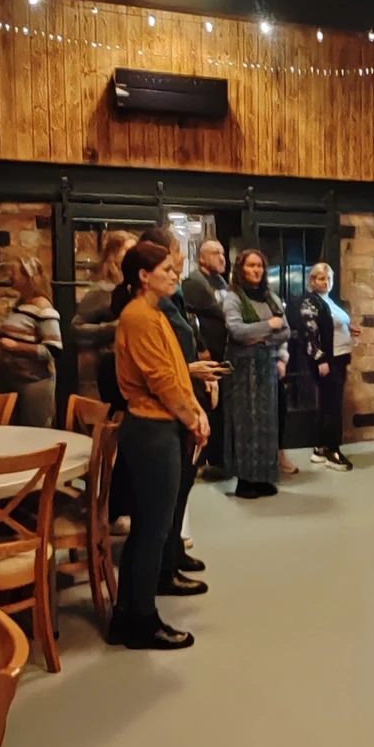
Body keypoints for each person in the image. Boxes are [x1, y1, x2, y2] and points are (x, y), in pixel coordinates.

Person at [111, 240, 210, 649]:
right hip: (152, 430)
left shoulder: (151, 313)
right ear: (143, 276)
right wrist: (193, 418)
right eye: (167, 269)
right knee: (153, 530)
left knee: (148, 529)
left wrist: (194, 410)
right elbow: (162, 380)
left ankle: (127, 616)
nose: (175, 274)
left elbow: (175, 372)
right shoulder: (139, 316)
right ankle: (142, 621)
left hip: (158, 427)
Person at [138, 228, 224, 572]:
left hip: (186, 388)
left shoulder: (170, 297)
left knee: (182, 485)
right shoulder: (146, 310)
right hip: (166, 408)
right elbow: (158, 369)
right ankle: (165, 566)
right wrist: (191, 406)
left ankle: (173, 554)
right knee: (169, 493)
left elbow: (184, 341)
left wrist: (196, 369)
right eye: (175, 251)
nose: (181, 259)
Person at [220, 247, 290, 497]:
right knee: (246, 423)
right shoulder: (233, 297)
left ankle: (263, 478)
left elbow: (286, 331)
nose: (256, 270)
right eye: (251, 265)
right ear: (241, 269)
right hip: (242, 370)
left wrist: (260, 337)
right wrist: (269, 325)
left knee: (266, 423)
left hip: (266, 366)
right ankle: (245, 480)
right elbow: (237, 331)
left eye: (259, 266)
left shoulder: (270, 297)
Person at [292, 262, 356, 470]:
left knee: (328, 404)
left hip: (339, 357)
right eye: (321, 278)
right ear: (312, 280)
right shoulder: (310, 302)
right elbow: (309, 333)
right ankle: (332, 451)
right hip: (328, 360)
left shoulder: (327, 300)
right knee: (332, 406)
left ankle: (320, 448)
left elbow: (331, 326)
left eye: (329, 278)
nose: (326, 282)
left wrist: (349, 330)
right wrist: (320, 360)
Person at [0, 256, 63, 427]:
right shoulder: (21, 305)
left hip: (32, 385)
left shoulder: (44, 309)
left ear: (28, 277)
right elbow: (17, 335)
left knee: (34, 433)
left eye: (14, 272)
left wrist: (16, 347)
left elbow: (53, 350)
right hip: (12, 380)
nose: (9, 277)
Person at [182, 237, 232, 480]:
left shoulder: (222, 282)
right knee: (207, 406)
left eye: (222, 253)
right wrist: (201, 346)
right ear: (201, 258)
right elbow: (189, 320)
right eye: (215, 253)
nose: (222, 258)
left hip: (223, 353)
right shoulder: (194, 283)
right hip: (206, 356)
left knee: (220, 408)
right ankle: (201, 462)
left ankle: (219, 460)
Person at [72, 230, 139, 407]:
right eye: (128, 251)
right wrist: (114, 327)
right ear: (113, 256)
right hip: (106, 369)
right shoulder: (101, 291)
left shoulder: (133, 288)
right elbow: (77, 328)